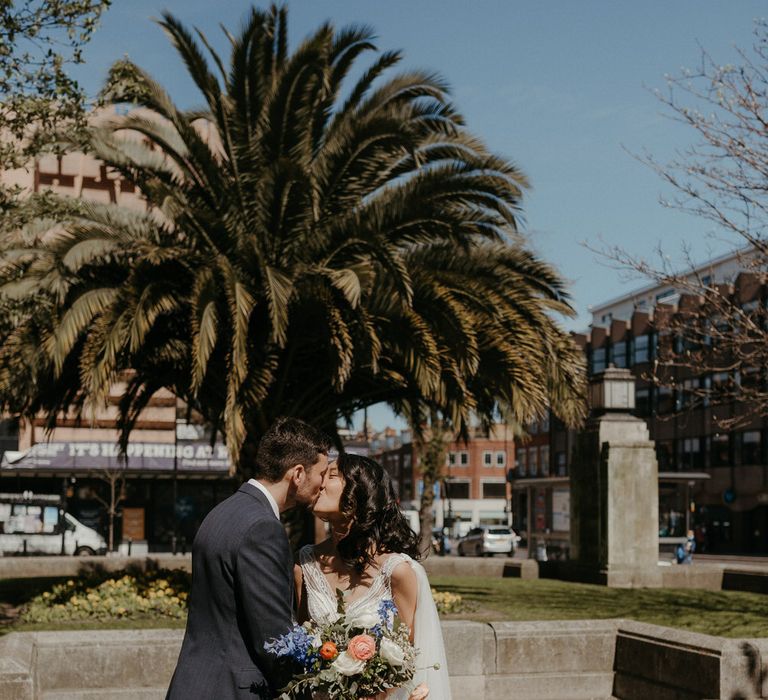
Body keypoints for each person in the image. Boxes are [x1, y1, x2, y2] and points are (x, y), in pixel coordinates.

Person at [166, 417, 333, 699]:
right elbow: (273, 639)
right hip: (232, 690)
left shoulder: (222, 512)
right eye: (322, 473)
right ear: (298, 473)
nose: (323, 482)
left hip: (197, 682)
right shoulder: (263, 528)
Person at [295, 453, 451, 700]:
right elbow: (300, 646)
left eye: (331, 475)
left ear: (359, 492)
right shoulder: (305, 563)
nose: (320, 483)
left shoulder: (397, 571)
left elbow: (409, 657)